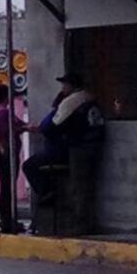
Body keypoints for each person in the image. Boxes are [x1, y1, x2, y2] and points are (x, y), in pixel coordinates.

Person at [23, 73, 99, 203]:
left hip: (70, 149)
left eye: (64, 84)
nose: (62, 88)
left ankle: (47, 195)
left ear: (70, 85)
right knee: (85, 188)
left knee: (29, 165)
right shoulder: (89, 98)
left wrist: (41, 128)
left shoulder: (71, 102)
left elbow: (51, 126)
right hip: (91, 146)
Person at [0, 83, 27, 233]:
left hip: (3, 152)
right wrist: (24, 128)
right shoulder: (3, 113)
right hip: (7, 152)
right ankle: (8, 220)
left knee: (6, 186)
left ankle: (8, 219)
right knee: (7, 187)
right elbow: (10, 130)